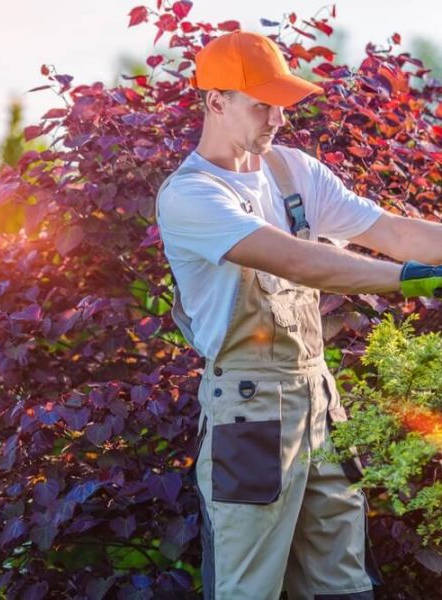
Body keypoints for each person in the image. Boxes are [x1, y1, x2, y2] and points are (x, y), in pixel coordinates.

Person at [154, 29, 442, 600]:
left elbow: (390, 231)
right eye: (262, 105)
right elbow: (297, 260)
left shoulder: (290, 171)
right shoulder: (190, 195)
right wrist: (409, 280)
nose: (277, 119)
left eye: (281, 104)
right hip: (250, 415)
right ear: (216, 101)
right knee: (248, 589)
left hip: (320, 404)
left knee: (345, 584)